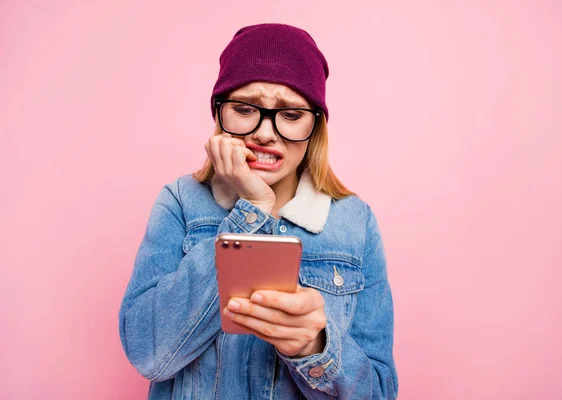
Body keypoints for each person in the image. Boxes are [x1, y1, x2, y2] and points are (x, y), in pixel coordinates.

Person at [118, 23, 398, 399]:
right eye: (246, 109)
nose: (265, 133)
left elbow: (379, 391)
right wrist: (253, 210)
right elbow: (148, 355)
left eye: (291, 114)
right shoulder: (181, 202)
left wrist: (315, 347)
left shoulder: (355, 222)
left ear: (315, 126)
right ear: (220, 116)